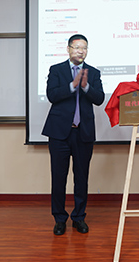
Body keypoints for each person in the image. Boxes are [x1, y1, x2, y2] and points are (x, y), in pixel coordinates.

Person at [42, 34, 105, 235]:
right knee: (58, 178)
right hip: (59, 133)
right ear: (68, 49)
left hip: (83, 133)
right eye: (77, 47)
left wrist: (85, 86)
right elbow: (52, 95)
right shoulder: (57, 70)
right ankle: (59, 219)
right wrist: (72, 85)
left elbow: (99, 99)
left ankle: (79, 217)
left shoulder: (93, 73)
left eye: (84, 48)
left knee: (81, 178)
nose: (81, 51)